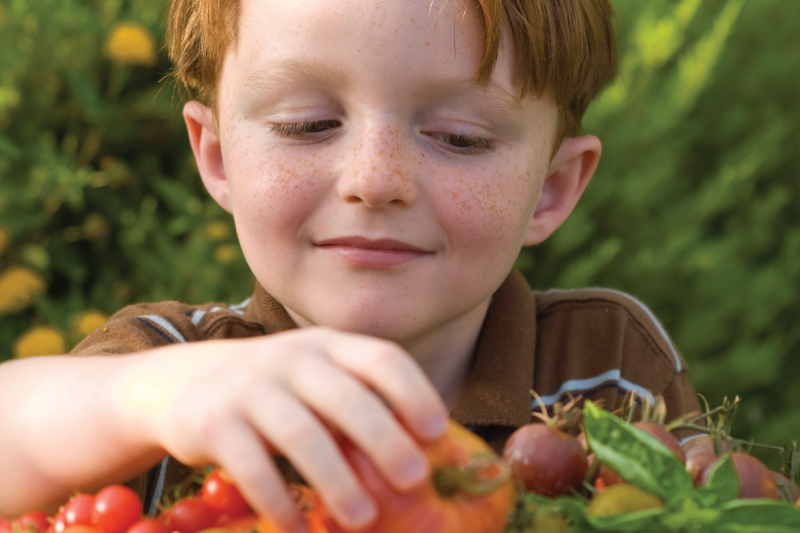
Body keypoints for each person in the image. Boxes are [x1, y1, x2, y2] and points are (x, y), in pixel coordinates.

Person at [0, 0, 700, 531]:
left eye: (460, 136)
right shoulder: (178, 362)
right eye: (307, 124)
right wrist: (149, 396)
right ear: (217, 158)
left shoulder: (607, 365)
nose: (375, 179)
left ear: (550, 189)